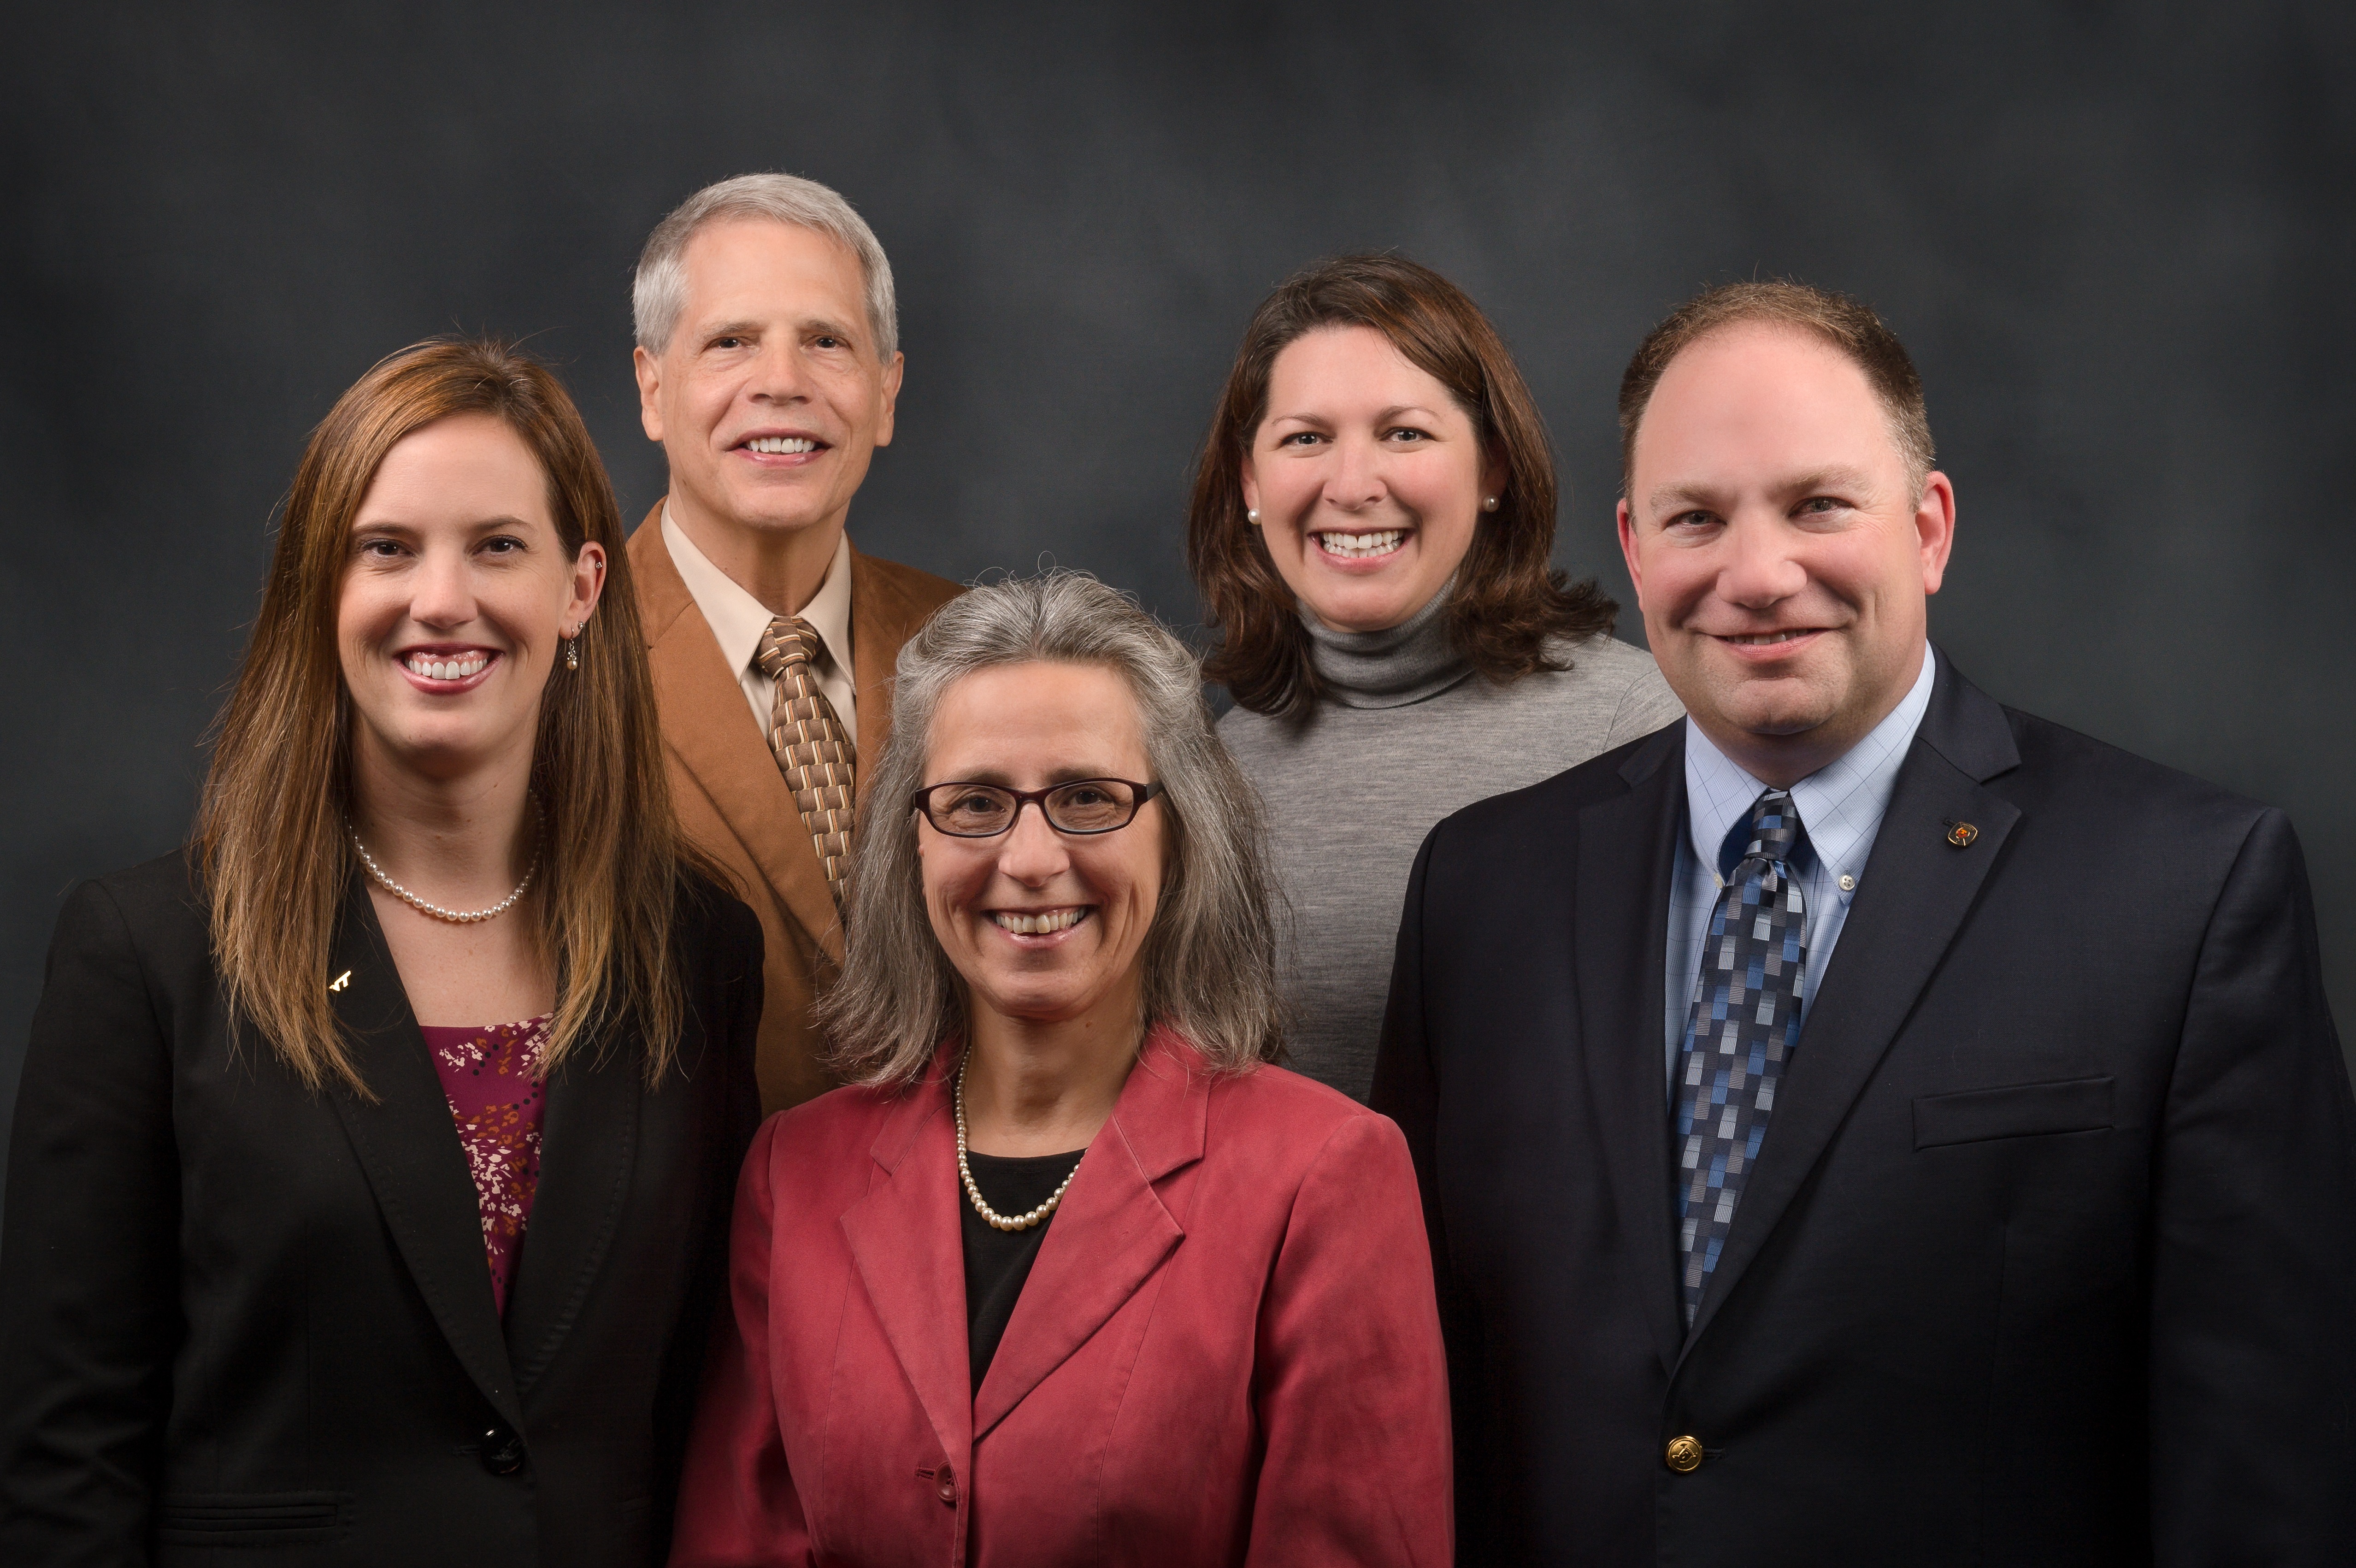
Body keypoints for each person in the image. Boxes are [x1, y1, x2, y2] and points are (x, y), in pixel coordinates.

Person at [1372, 281, 2356, 1564]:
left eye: (1819, 504)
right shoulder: (1480, 891)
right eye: (1696, 518)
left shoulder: (2185, 890)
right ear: (1633, 549)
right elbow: (1412, 1394)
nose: (1758, 573)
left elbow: (2268, 1468)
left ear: (1931, 527)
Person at [0, 340, 763, 1565]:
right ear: (322, 590)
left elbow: (706, 1407)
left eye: (496, 546)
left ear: (580, 589)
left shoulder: (697, 948)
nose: (441, 598)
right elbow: (66, 1457)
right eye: (387, 547)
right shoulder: (146, 957)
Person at [670, 573, 1451, 1566]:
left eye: (1087, 797)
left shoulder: (1326, 1176)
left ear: (1182, 832)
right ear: (908, 842)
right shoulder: (795, 1172)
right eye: (976, 803)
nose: (1030, 857)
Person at [1190, 253, 1681, 1102]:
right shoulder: (1200, 772)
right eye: (1305, 438)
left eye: (1404, 433)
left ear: (1492, 466)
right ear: (1250, 482)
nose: (1352, 485)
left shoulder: (1637, 730)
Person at [628, 172, 961, 1116]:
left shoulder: (981, 654)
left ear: (886, 393)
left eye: (827, 342)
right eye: (731, 342)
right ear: (655, 389)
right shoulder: (556, 662)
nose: (782, 381)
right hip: (689, 1252)